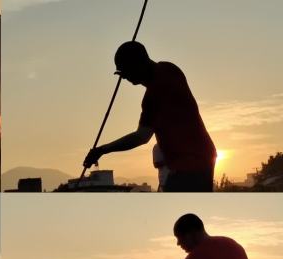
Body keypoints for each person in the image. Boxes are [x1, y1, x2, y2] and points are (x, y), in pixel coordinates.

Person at [83, 41, 216, 192]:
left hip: (189, 165)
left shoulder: (153, 95)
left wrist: (102, 150)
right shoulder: (170, 69)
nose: (124, 77)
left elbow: (141, 137)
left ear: (138, 64)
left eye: (125, 71)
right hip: (203, 157)